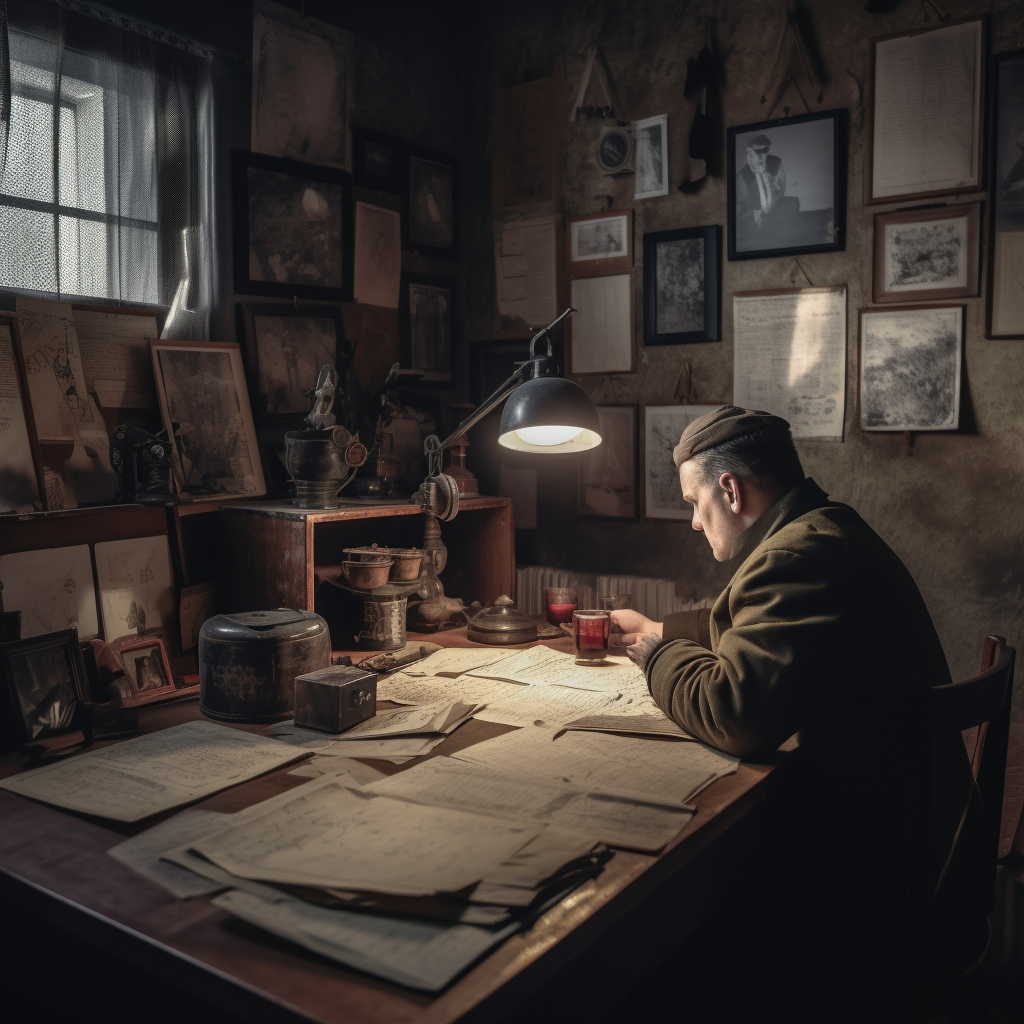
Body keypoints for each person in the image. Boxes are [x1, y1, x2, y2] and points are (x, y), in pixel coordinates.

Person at [611, 405, 986, 1018]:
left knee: (666, 944)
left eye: (693, 502)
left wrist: (657, 657)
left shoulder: (793, 561)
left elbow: (735, 713)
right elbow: (752, 621)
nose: (691, 522)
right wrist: (659, 625)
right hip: (920, 829)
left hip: (881, 880)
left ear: (730, 490)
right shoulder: (825, 529)